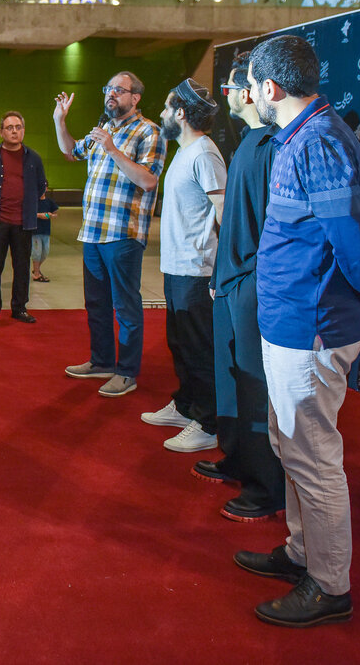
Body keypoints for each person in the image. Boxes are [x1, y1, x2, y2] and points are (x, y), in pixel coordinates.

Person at [233, 34, 360, 628]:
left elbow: (350, 238)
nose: (248, 92)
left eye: (251, 83)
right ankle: (303, 554)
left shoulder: (322, 141)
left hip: (311, 327)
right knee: (291, 446)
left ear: (270, 88)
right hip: (293, 322)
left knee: (312, 456)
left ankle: (330, 585)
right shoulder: (302, 136)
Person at [196, 55, 288, 523]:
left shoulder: (271, 147)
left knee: (255, 389)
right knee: (231, 379)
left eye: (233, 87)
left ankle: (265, 486)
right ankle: (236, 458)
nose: (227, 94)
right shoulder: (249, 142)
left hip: (251, 283)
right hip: (230, 280)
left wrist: (246, 279)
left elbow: (272, 226)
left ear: (250, 92)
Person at [53, 71, 166, 397]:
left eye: (119, 89)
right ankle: (101, 361)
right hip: (93, 231)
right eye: (108, 88)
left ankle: (127, 372)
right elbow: (71, 152)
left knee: (126, 306)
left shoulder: (149, 132)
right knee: (97, 304)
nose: (111, 94)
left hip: (123, 233)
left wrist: (114, 150)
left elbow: (147, 180)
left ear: (136, 98)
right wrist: (61, 121)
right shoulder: (103, 130)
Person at [139, 79, 226, 453]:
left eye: (166, 107)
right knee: (180, 343)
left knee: (198, 348)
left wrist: (221, 271)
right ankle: (186, 405)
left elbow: (225, 212)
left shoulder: (205, 154)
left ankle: (209, 423)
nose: (160, 114)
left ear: (182, 113)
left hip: (199, 269)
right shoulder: (185, 151)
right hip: (177, 267)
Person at [0, 111, 47, 326]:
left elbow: (41, 184)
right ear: (1, 131)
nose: (14, 131)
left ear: (23, 130)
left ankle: (19, 308)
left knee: (22, 267)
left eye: (18, 127)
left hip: (23, 222)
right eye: (9, 127)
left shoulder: (33, 157)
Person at [32, 184, 58, 282]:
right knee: (37, 252)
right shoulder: (33, 202)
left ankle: (36, 269)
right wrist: (39, 215)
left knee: (45, 252)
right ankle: (37, 274)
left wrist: (51, 215)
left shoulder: (49, 202)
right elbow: (28, 214)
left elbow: (55, 212)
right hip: (35, 231)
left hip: (46, 231)